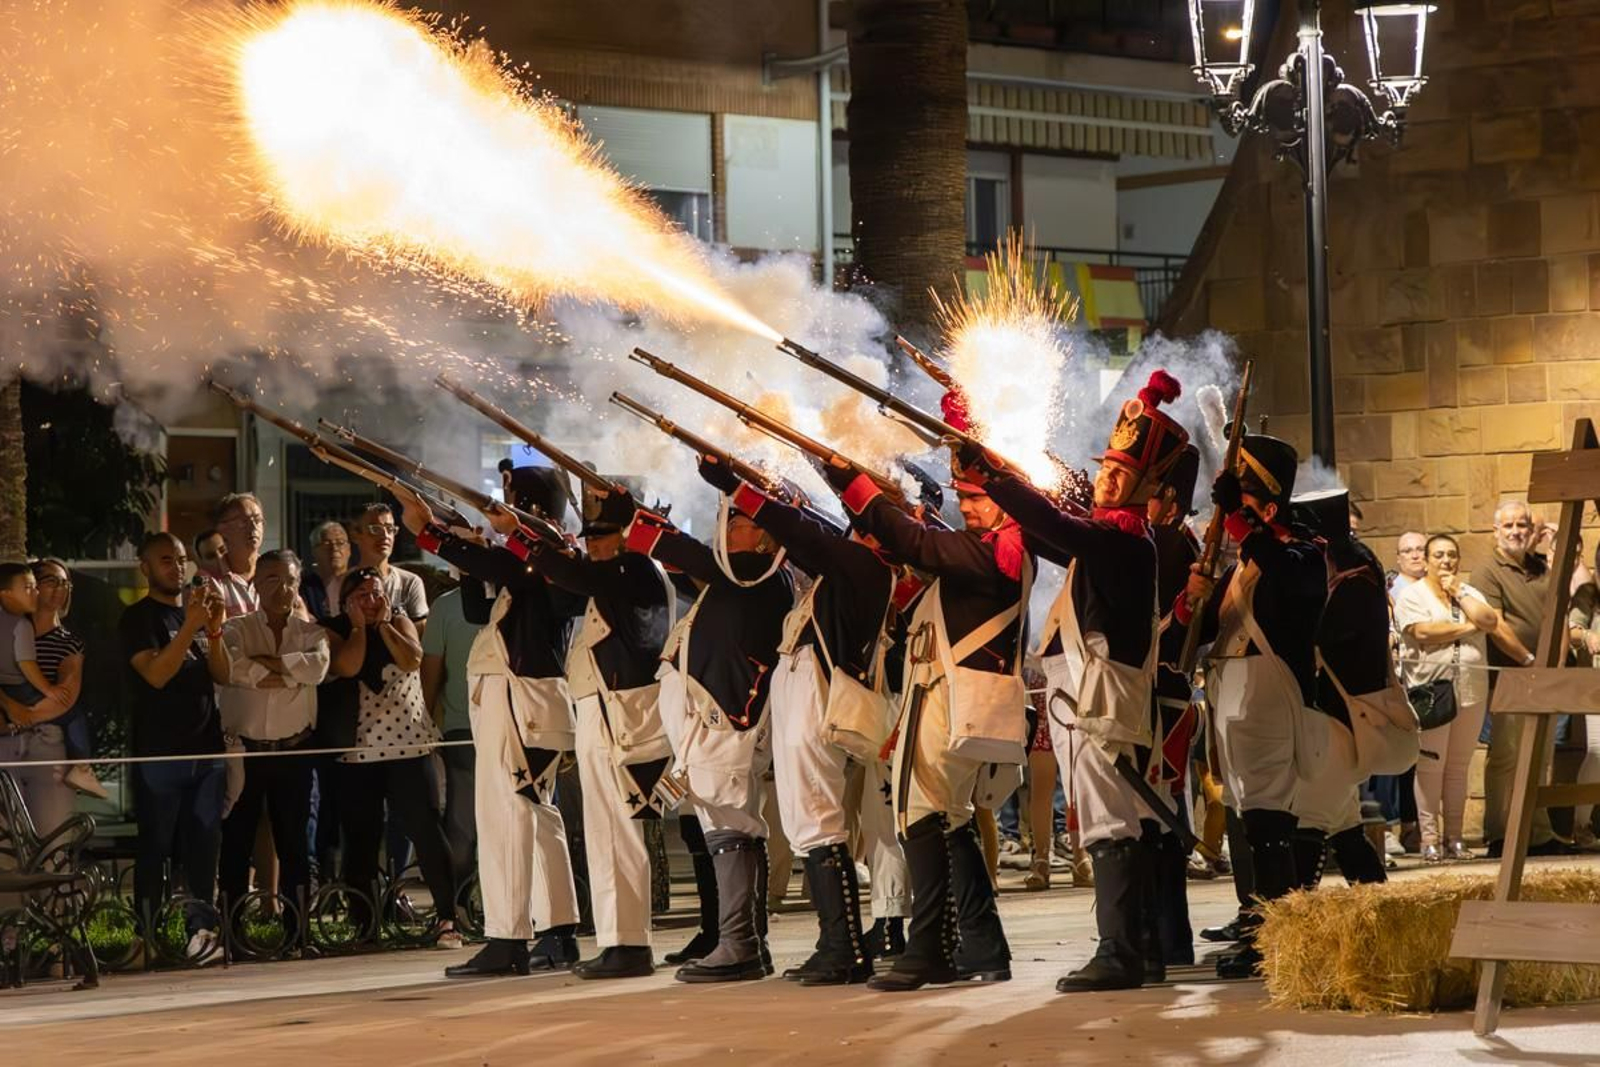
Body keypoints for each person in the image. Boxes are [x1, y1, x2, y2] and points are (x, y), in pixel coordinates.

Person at [970, 369, 1188, 993]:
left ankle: (1119, 953)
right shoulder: (1109, 538)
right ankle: (1139, 950)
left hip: (1097, 699)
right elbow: (1050, 525)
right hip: (1083, 696)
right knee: (1113, 819)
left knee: (1106, 822)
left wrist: (996, 479)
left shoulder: (1126, 543)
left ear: (1149, 488)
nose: (1107, 477)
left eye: (1122, 474)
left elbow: (1058, 527)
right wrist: (999, 471)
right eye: (1106, 469)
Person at [821, 438, 1030, 994]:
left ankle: (929, 947)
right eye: (964, 497)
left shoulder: (993, 554)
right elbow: (909, 540)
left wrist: (854, 485)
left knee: (919, 817)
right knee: (951, 821)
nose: (970, 506)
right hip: (945, 697)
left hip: (948, 699)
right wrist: (845, 485)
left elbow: (911, 538)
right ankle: (983, 944)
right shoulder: (979, 548)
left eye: (980, 498)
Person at [698, 454, 911, 986]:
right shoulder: (849, 561)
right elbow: (810, 530)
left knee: (816, 820)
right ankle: (835, 943)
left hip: (820, 698)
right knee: (804, 821)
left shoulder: (866, 566)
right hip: (803, 695)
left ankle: (842, 948)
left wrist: (742, 490)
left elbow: (804, 532)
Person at [485, 477, 673, 980]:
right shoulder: (615, 573)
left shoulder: (636, 568)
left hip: (623, 716)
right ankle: (618, 939)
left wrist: (518, 537)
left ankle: (628, 944)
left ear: (628, 535)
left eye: (601, 536)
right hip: (603, 712)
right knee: (605, 830)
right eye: (588, 537)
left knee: (618, 833)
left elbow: (577, 578)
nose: (591, 546)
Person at [405, 466, 584, 978]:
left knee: (505, 818)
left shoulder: (547, 556)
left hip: (520, 700)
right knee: (536, 817)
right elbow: (480, 609)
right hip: (524, 701)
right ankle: (557, 931)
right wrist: (463, 548)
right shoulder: (531, 561)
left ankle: (508, 937)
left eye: (509, 503)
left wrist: (432, 533)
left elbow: (505, 570)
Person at [625, 486, 793, 984]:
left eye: (738, 522)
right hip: (710, 718)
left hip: (727, 715)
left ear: (765, 537)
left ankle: (739, 945)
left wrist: (643, 526)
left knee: (730, 824)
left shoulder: (758, 572)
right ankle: (744, 943)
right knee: (725, 823)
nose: (726, 531)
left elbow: (690, 557)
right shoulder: (734, 575)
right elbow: (684, 565)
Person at [1180, 434, 1328, 980]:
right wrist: (1193, 594)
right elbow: (1206, 627)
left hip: (1268, 696)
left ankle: (1275, 935)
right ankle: (1262, 922)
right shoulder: (1246, 559)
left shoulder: (1303, 553)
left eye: (1243, 506)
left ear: (1268, 509)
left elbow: (1294, 584)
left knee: (1268, 820)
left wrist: (1242, 524)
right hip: (1234, 697)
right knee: (1251, 815)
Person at [325, 567, 461, 948]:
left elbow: (412, 659)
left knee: (427, 829)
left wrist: (384, 624)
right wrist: (357, 627)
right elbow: (347, 666)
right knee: (361, 839)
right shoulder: (334, 628)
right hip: (359, 751)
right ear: (346, 600)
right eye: (362, 595)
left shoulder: (399, 620)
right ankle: (366, 924)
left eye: (377, 593)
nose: (371, 602)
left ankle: (448, 918)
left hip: (409, 745)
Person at [119, 533, 228, 960]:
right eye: (166, 560)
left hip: (207, 752)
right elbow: (157, 675)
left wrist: (215, 632)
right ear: (145, 567)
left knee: (204, 844)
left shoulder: (197, 615)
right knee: (156, 847)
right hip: (160, 754)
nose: (177, 568)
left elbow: (222, 673)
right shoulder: (138, 619)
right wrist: (189, 627)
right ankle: (147, 936)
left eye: (181, 560)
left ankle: (202, 933)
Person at [211, 550, 329, 943]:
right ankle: (232, 931)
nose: (283, 588)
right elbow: (238, 672)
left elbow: (317, 669)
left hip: (294, 751)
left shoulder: (312, 633)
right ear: (257, 585)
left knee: (295, 844)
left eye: (290, 580)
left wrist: (271, 666)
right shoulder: (235, 630)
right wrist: (290, 671)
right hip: (244, 752)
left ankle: (298, 932)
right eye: (273, 579)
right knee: (236, 843)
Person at [1290, 490, 1406, 885]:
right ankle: (1377, 904)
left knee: (1311, 817)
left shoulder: (1353, 581)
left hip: (1340, 713)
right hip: (1337, 710)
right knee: (1344, 822)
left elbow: (1327, 637)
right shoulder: (1354, 574)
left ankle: (1292, 917)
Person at [1395, 534, 1499, 861]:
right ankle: (1429, 838)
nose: (1446, 561)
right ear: (1425, 560)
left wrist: (1457, 593)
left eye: (1452, 555)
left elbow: (1490, 620)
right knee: (1430, 766)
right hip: (1430, 691)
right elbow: (1423, 632)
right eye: (1438, 554)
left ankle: (1455, 838)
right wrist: (1468, 629)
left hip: (1470, 690)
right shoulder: (1412, 595)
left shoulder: (1469, 592)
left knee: (1458, 767)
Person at [1473, 500, 1562, 856]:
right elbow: (1496, 624)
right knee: (1507, 755)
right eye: (1508, 526)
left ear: (1533, 530)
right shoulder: (1487, 571)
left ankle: (1538, 834)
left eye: (1522, 525)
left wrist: (1552, 667)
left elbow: (1565, 607)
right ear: (1496, 530)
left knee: (1540, 757)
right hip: (1511, 676)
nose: (1515, 532)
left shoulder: (1543, 568)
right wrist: (1528, 662)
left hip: (1548, 677)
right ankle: (1500, 833)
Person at [420, 578, 490, 886]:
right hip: (465, 727)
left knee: (463, 821)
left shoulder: (445, 605)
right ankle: (464, 902)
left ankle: (462, 905)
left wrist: (427, 721)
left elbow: (431, 672)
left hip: (471, 727)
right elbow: (431, 669)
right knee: (467, 822)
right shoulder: (446, 605)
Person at [0, 562, 78, 836]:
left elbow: (65, 698)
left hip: (45, 740)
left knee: (52, 837)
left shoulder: (68, 641)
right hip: (5, 741)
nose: (59, 589)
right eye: (50, 581)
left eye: (65, 583)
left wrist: (22, 717)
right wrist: (10, 709)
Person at [349, 503, 428, 635]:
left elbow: (419, 636)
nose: (385, 536)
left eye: (390, 529)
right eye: (376, 529)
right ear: (355, 534)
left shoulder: (410, 583)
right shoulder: (342, 583)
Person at [1568, 540, 1600, 847]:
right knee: (1598, 751)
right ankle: (1581, 824)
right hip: (1596, 683)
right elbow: (1572, 629)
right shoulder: (1589, 594)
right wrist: (1589, 634)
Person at [213, 494, 265, 619]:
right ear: (222, 529)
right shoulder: (211, 578)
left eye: (258, 520)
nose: (253, 527)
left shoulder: (275, 572)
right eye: (244, 521)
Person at [300, 520, 351, 622]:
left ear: (349, 549)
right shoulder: (303, 587)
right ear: (314, 551)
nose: (334, 548)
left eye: (340, 543)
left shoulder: (359, 583)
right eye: (327, 544)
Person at [1389, 532, 1427, 597]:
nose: (1415, 556)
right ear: (1398, 558)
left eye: (1420, 550)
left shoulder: (1441, 585)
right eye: (1407, 551)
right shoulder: (1389, 590)